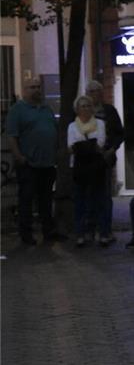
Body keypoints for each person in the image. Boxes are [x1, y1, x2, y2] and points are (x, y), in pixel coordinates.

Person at [5, 76, 61, 245]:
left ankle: (48, 231)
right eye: (32, 87)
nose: (36, 90)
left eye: (38, 87)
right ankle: (26, 235)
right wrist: (19, 157)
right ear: (24, 90)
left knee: (46, 200)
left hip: (47, 163)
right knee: (27, 200)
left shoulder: (46, 109)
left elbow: (54, 131)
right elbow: (12, 136)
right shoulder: (17, 110)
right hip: (28, 163)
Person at [67, 95, 108, 247]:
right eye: (82, 106)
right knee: (80, 201)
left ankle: (102, 232)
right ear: (77, 109)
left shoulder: (100, 124)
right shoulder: (72, 126)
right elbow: (71, 148)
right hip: (79, 168)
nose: (85, 108)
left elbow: (100, 144)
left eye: (88, 105)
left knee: (99, 200)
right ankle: (81, 233)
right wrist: (89, 145)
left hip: (96, 167)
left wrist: (82, 147)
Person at [86, 80, 123, 246]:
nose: (95, 94)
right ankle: (90, 229)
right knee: (90, 196)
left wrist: (112, 149)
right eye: (92, 91)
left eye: (98, 91)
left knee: (105, 197)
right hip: (87, 161)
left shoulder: (110, 111)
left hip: (105, 159)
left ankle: (105, 230)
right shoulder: (83, 111)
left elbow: (119, 133)